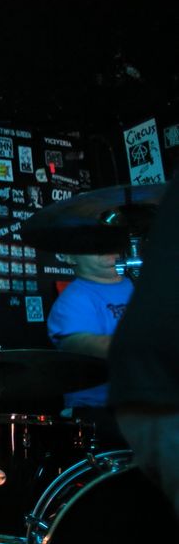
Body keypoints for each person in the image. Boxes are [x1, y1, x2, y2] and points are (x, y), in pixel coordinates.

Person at [109, 177, 179, 519]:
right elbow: (78, 343)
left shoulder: (129, 285)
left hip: (146, 380)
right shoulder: (75, 298)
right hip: (162, 381)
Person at [46, 252, 133, 446]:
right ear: (70, 257)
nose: (104, 248)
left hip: (151, 401)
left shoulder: (141, 287)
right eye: (92, 245)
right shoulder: (73, 299)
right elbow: (82, 346)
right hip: (100, 412)